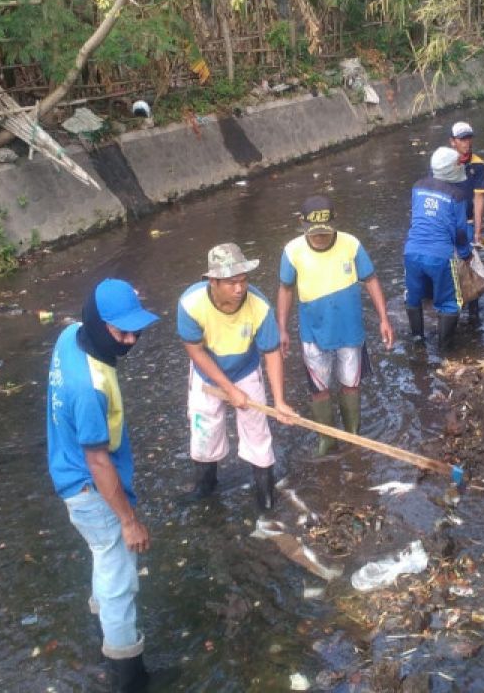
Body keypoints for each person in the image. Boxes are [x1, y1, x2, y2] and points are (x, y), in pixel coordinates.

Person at [46, 278, 160, 692]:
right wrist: (129, 521)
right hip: (91, 491)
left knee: (102, 553)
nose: (131, 340)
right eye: (120, 332)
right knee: (120, 576)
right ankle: (126, 670)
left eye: (136, 330)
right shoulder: (90, 388)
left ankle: (100, 620)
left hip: (67, 474)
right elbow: (98, 460)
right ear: (96, 325)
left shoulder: (67, 338)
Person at [177, 243, 297, 511]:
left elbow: (272, 352)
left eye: (243, 281)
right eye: (231, 283)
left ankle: (265, 497)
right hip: (207, 375)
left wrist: (279, 401)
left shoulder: (259, 306)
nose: (239, 288)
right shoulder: (190, 304)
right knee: (205, 431)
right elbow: (196, 353)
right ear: (213, 281)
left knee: (258, 431)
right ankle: (205, 488)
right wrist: (228, 389)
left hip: (245, 368)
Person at [277, 194, 395, 457]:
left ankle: (352, 434)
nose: (321, 238)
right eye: (315, 234)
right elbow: (285, 289)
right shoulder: (292, 251)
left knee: (350, 383)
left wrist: (384, 319)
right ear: (302, 224)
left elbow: (372, 280)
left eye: (326, 233)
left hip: (350, 331)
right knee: (319, 388)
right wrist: (282, 328)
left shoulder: (351, 245)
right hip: (313, 333)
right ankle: (326, 439)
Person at [404, 147, 474, 350]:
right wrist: (465, 255)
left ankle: (418, 343)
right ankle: (445, 351)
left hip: (412, 252)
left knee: (413, 297)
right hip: (440, 257)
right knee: (450, 302)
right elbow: (460, 232)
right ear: (452, 169)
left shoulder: (417, 187)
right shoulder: (457, 195)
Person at [450, 121, 484, 325]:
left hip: (468, 221)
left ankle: (474, 314)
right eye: (462, 139)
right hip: (449, 222)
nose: (466, 143)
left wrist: (477, 232)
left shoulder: (477, 164)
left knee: (471, 266)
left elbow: (479, 199)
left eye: (468, 138)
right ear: (452, 142)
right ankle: (452, 311)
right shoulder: (444, 163)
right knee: (449, 267)